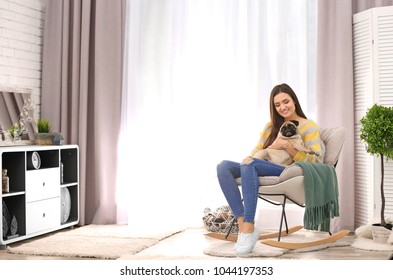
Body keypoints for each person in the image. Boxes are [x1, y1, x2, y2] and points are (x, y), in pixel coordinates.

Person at [216, 83, 325, 255]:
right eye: (277, 104)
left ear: (294, 101)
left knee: (250, 164)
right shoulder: (270, 126)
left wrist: (288, 148)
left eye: (286, 101)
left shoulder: (308, 126)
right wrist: (270, 147)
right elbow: (255, 152)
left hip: (288, 171)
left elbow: (317, 161)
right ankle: (243, 224)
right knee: (223, 167)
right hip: (264, 164)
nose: (282, 107)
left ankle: (249, 226)